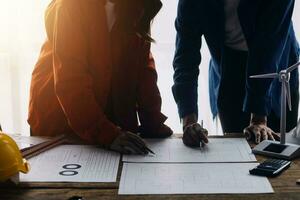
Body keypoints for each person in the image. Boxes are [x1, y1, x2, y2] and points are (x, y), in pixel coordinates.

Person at [28, 0, 172, 154]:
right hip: (59, 119)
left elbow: (143, 69)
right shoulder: (70, 5)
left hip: (104, 123)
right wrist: (107, 134)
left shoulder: (136, 5)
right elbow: (70, 81)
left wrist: (153, 123)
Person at [173, 0, 299, 147]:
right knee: (237, 147)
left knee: (281, 148)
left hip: (277, 64)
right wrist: (189, 121)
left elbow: (268, 49)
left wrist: (259, 118)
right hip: (228, 66)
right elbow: (186, 56)